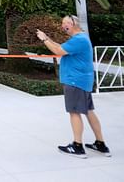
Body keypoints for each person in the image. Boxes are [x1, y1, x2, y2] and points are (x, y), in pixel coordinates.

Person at [36, 15, 111, 159]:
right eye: (62, 23)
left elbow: (58, 51)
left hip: (75, 81)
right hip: (82, 81)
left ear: (74, 24)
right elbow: (60, 47)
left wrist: (44, 40)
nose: (63, 26)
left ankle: (77, 146)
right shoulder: (79, 39)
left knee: (74, 112)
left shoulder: (79, 40)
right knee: (89, 111)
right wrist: (47, 38)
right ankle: (100, 144)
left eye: (66, 23)